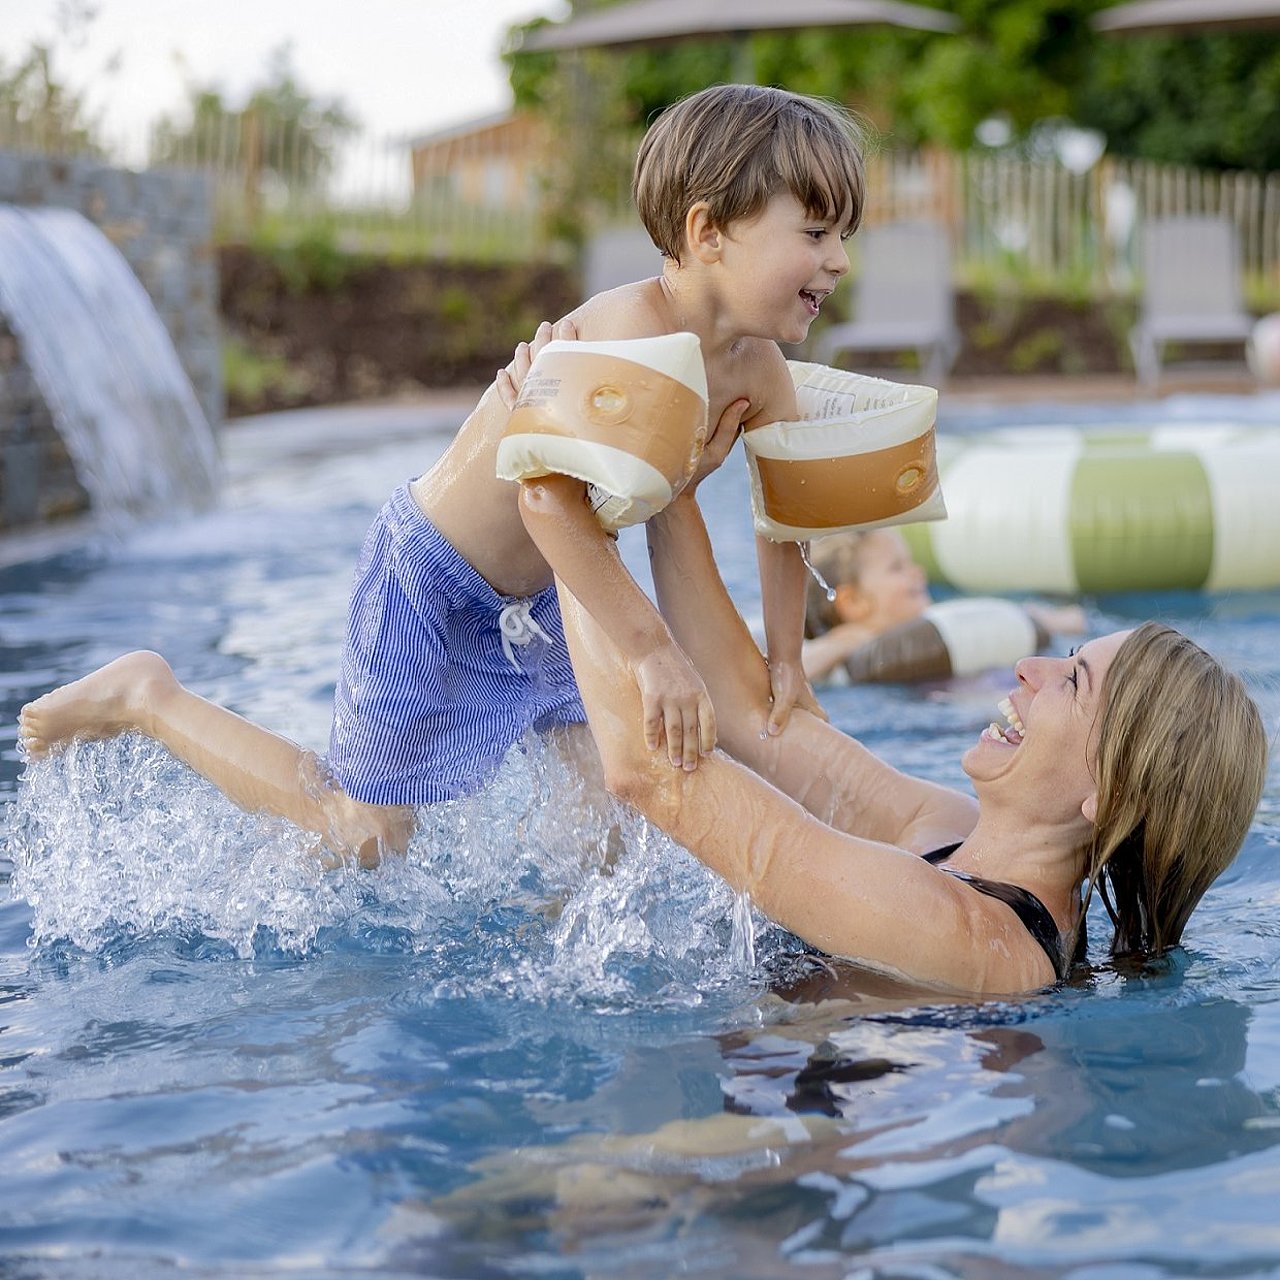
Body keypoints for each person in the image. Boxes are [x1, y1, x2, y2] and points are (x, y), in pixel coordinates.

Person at [18, 84, 865, 866]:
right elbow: (548, 506)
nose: (839, 263)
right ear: (709, 231)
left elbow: (784, 512)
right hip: (430, 576)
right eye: (816, 234)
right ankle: (147, 695)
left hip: (548, 598)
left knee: (610, 826)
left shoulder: (758, 371)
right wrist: (653, 654)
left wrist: (785, 657)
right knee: (365, 836)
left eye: (844, 238)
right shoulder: (623, 333)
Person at [554, 400, 1269, 993]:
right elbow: (752, 720)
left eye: (1072, 682)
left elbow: (649, 773)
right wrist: (676, 490)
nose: (1029, 667)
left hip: (769, 1146)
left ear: (1108, 794)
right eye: (1068, 657)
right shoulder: (954, 834)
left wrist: (563, 493)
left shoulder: (964, 936)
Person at [801, 528, 1087, 684]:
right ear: (854, 601)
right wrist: (849, 639)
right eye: (897, 567)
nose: (918, 573)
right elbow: (798, 670)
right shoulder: (849, 641)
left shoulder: (942, 619)